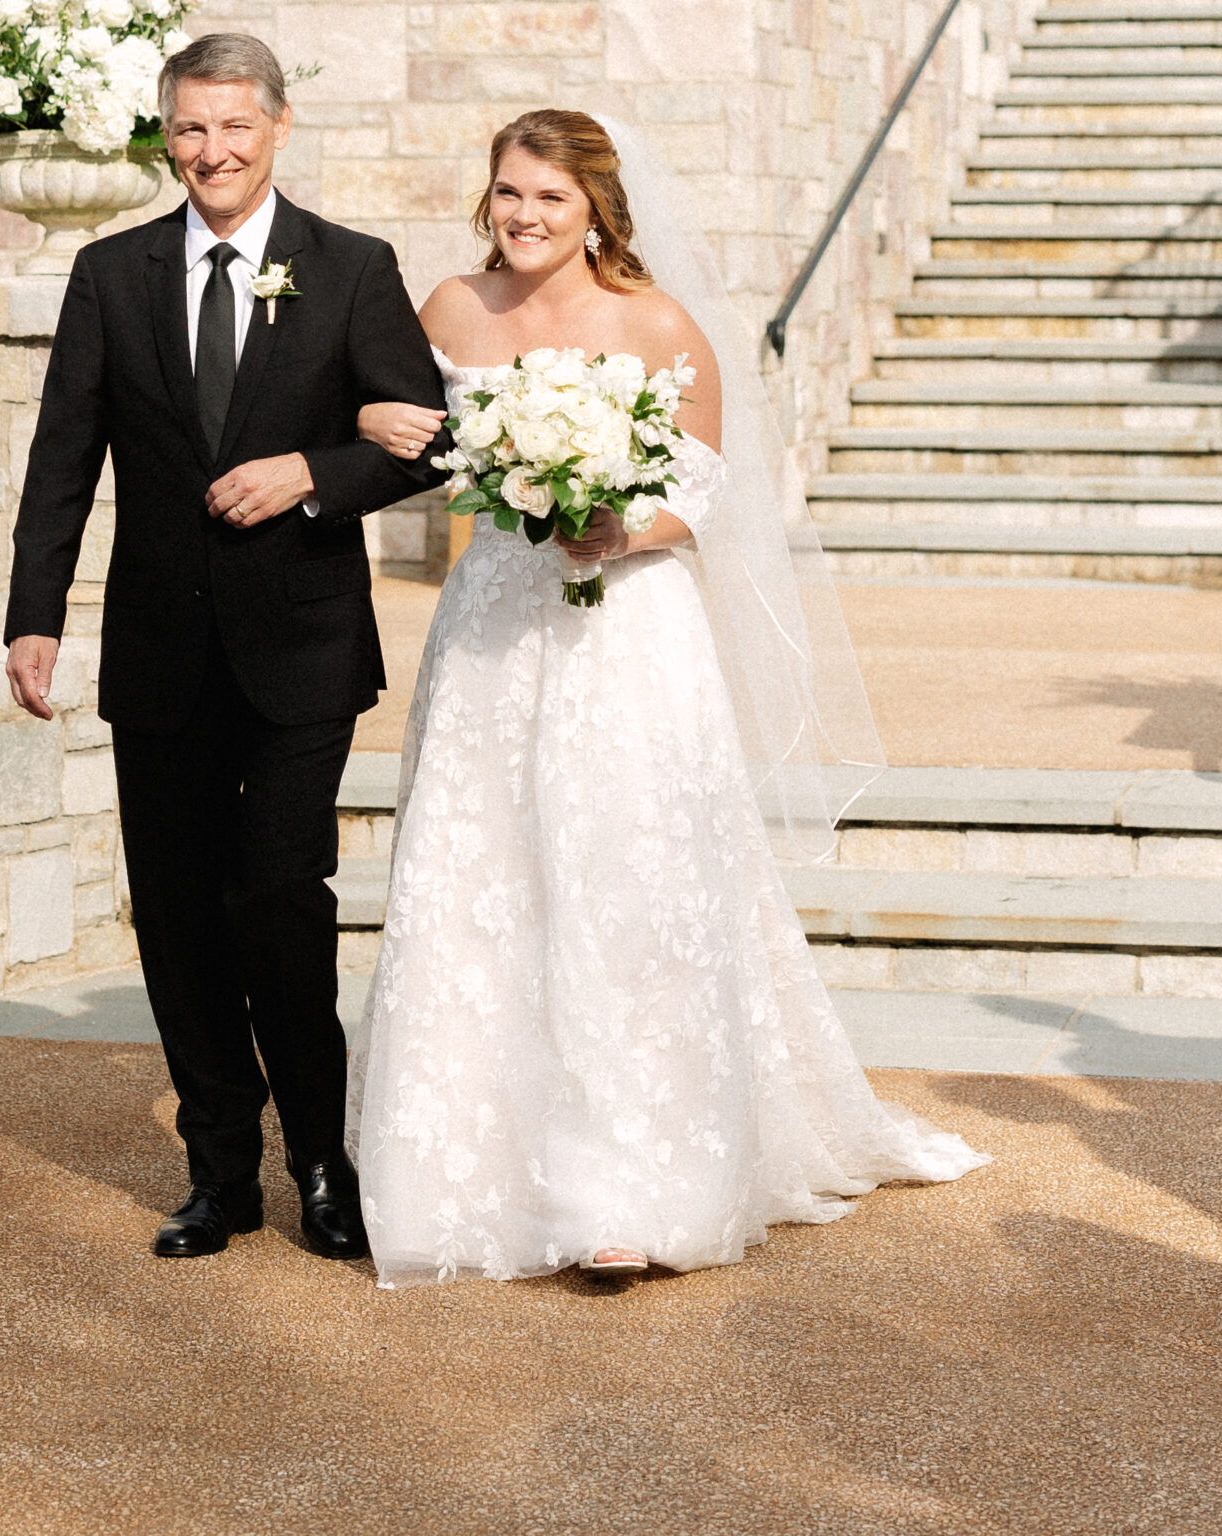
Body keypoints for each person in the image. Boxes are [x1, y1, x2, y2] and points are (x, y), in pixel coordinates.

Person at [347, 108, 986, 1284]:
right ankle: (461, 1178)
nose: (525, 216)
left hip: (626, 631)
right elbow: (397, 436)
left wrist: (618, 524)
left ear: (596, 206)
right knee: (479, 874)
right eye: (508, 193)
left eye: (549, 196)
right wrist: (370, 419)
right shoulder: (446, 308)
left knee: (624, 888)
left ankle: (628, 1187)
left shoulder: (654, 320)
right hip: (492, 623)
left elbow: (709, 490)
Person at [4, 32, 444, 1261]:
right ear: (164, 135)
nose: (213, 151)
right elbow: (63, 457)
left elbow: (432, 441)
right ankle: (217, 1171)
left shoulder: (353, 269)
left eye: (236, 127)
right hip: (155, 649)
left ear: (280, 127)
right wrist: (34, 614)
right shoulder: (110, 272)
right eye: (191, 129)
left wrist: (312, 470)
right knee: (180, 910)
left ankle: (319, 1159)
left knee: (281, 897)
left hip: (302, 648)